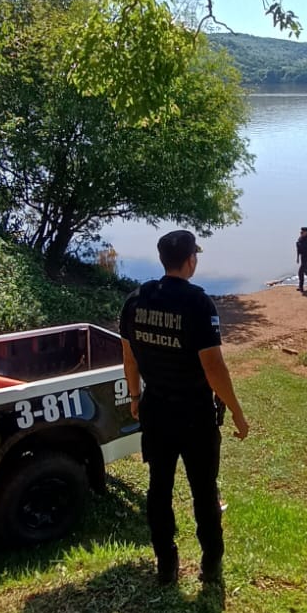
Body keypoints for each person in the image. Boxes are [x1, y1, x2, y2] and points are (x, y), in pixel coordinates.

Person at [120, 230, 249, 586]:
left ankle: (166, 563)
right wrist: (237, 411)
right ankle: (210, 563)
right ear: (190, 260)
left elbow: (129, 357)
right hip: (194, 415)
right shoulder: (197, 304)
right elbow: (213, 368)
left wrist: (134, 397)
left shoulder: (136, 299)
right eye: (196, 255)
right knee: (204, 489)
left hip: (155, 409)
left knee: (158, 487)